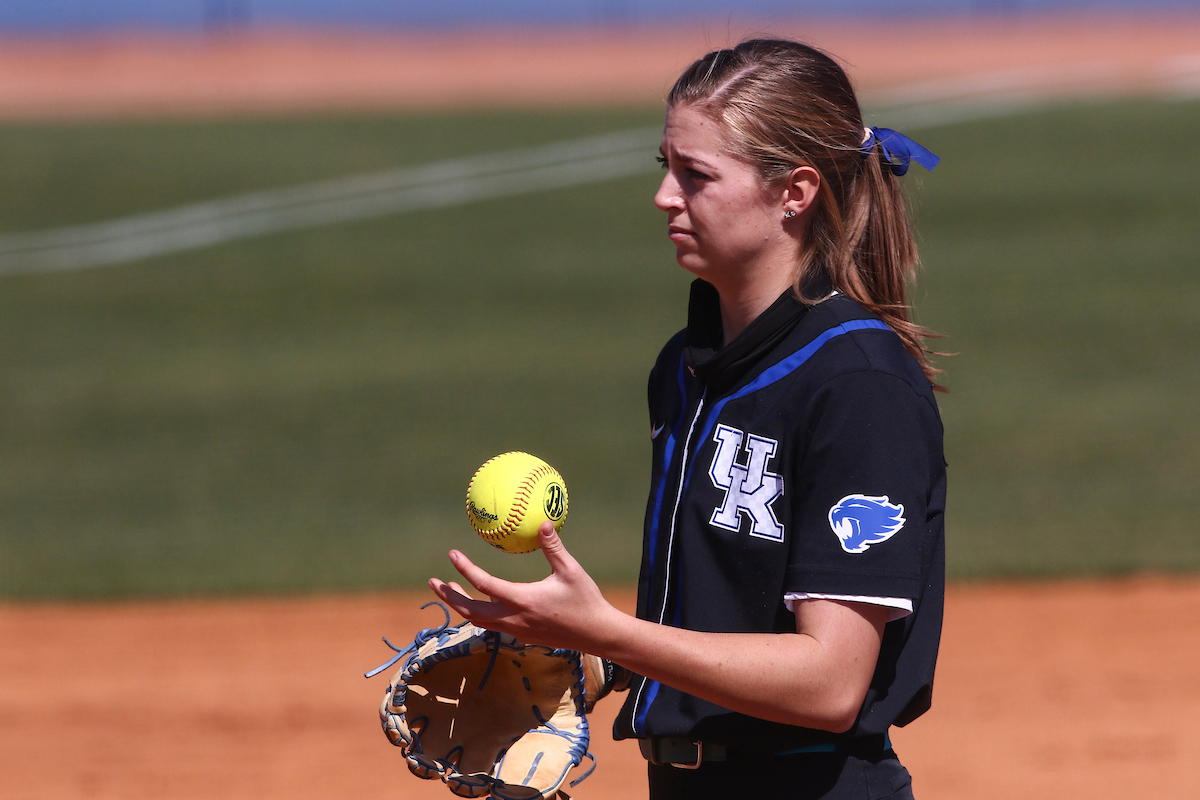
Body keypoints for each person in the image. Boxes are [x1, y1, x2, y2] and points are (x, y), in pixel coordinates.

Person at [431, 38, 946, 800]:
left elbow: (831, 683)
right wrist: (589, 660)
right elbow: (723, 604)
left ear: (794, 193)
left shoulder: (858, 384)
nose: (665, 196)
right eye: (665, 166)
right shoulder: (688, 365)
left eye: (697, 175)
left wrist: (605, 630)